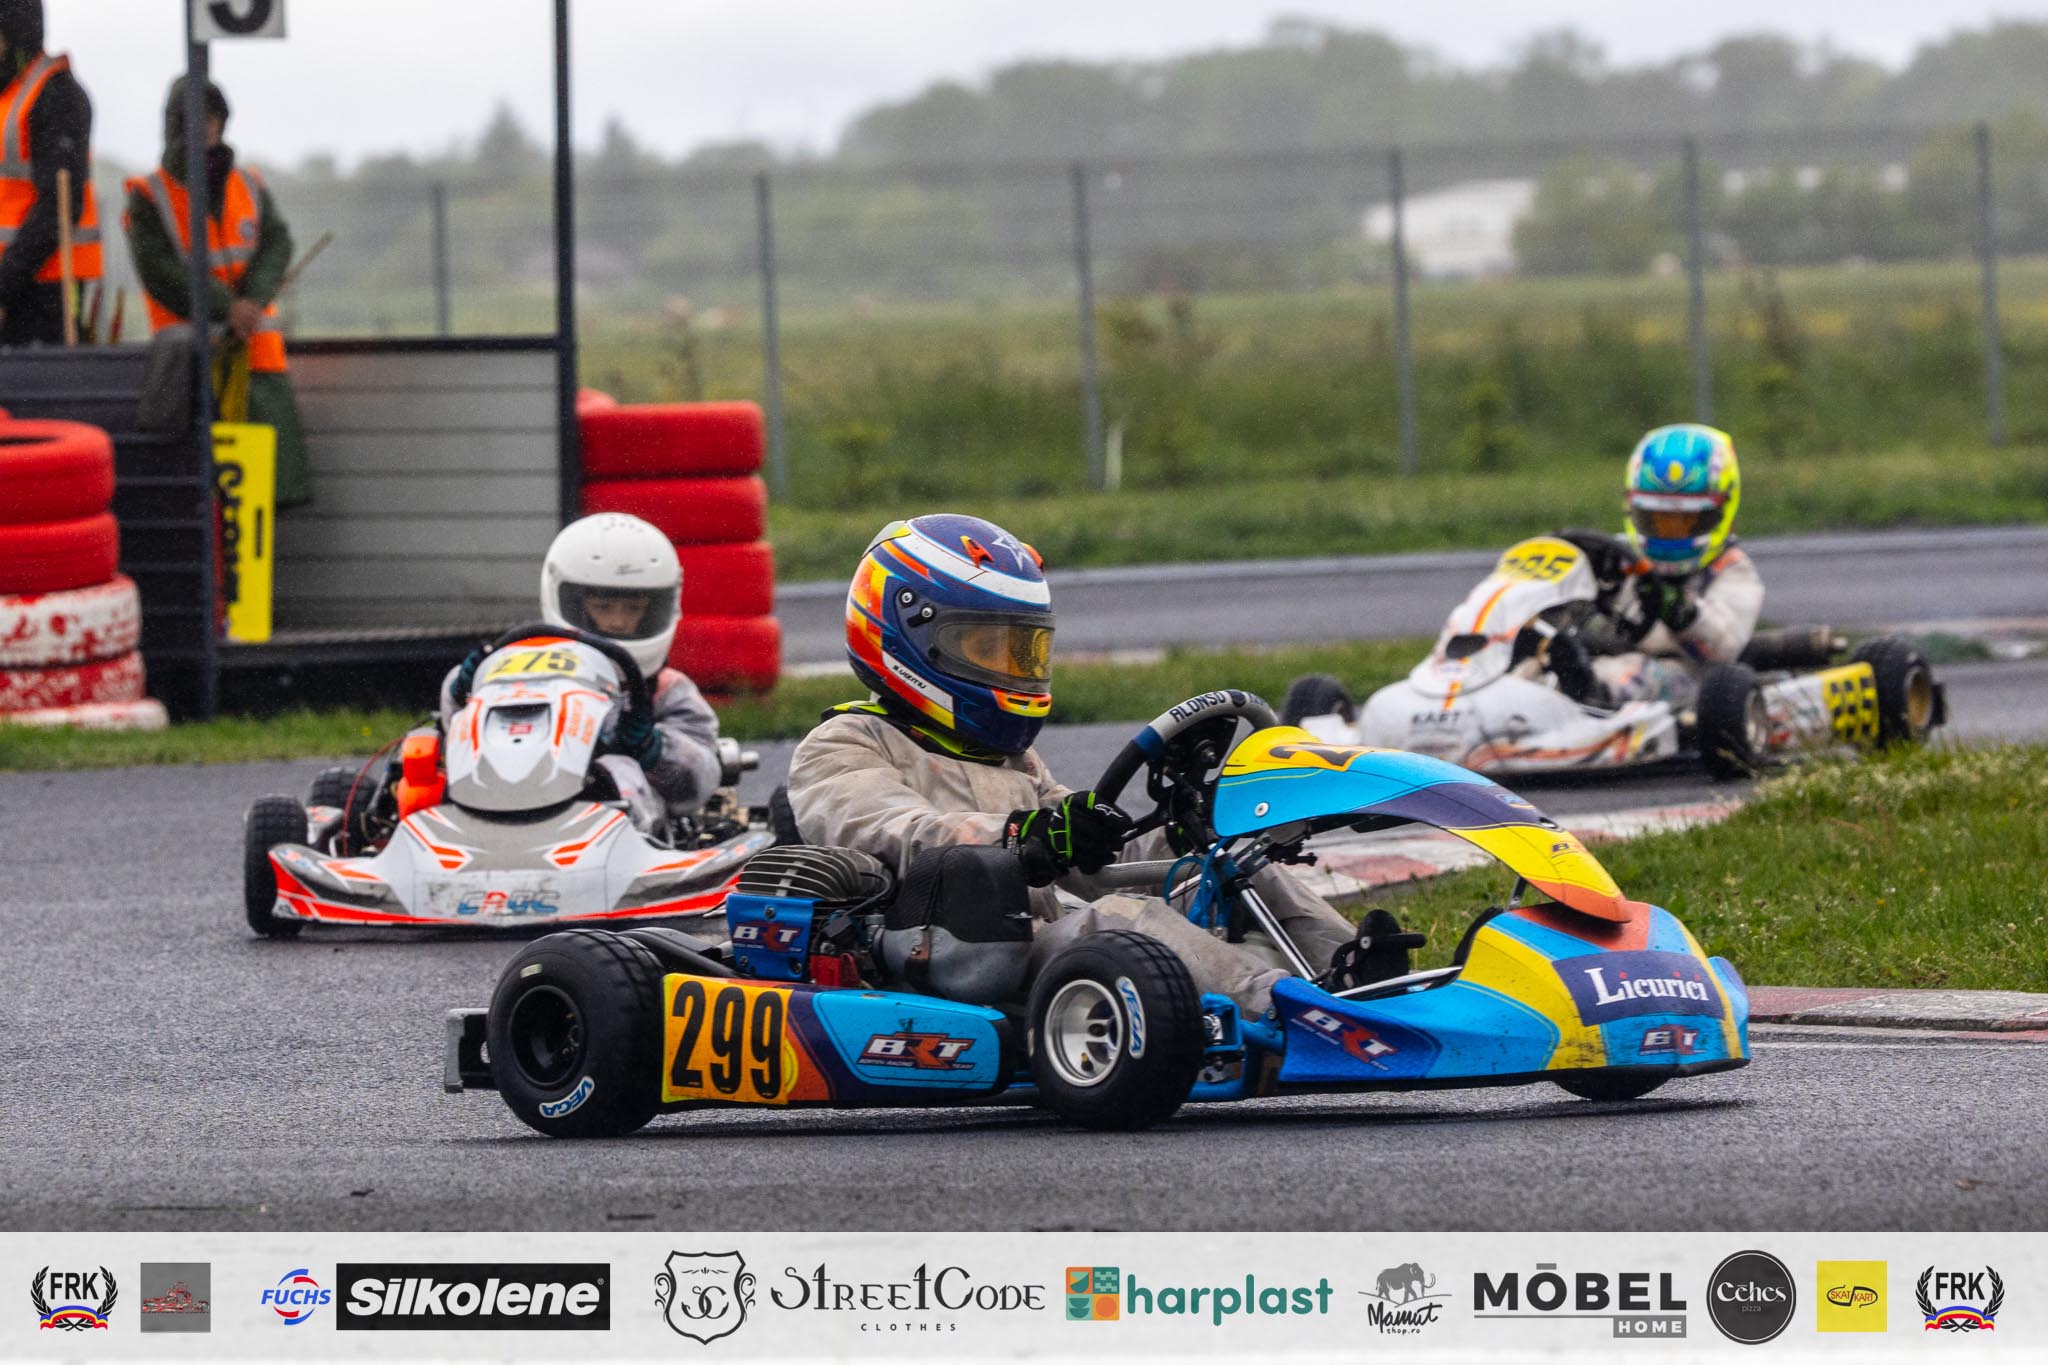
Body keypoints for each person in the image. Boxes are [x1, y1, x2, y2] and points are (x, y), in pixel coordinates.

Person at [784, 512, 1374, 1016]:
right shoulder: (843, 744)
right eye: (987, 648)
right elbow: (900, 832)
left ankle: (1369, 981)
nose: (1012, 669)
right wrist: (1024, 835)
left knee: (1225, 865)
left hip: (1034, 936)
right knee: (1120, 920)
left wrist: (1177, 829)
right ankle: (1296, 1013)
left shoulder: (1009, 758)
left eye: (1023, 651)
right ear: (907, 637)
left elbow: (1090, 859)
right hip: (945, 953)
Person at [441, 513, 726, 832]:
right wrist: (464, 690)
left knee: (618, 768)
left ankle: (612, 835)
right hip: (504, 789)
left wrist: (652, 748)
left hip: (612, 816)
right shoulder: (524, 666)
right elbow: (455, 732)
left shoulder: (667, 689)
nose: (618, 622)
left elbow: (700, 780)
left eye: (633, 609)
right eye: (603, 607)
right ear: (572, 601)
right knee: (422, 759)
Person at [122, 77, 310, 507]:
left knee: (264, 497)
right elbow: (160, 271)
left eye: (212, 116)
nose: (206, 126)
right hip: (193, 370)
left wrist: (253, 301)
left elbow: (277, 243)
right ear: (174, 125)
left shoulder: (250, 184)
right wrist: (229, 307)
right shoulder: (149, 196)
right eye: (194, 117)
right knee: (200, 500)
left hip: (257, 364)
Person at [1556, 423, 1763, 709]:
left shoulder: (1733, 569)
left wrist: (1683, 612)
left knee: (1637, 675)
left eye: (1684, 522)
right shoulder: (1618, 556)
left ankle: (1590, 693)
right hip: (1599, 654)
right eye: (1656, 520)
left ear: (1720, 513)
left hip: (1689, 676)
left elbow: (1724, 647)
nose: (1668, 533)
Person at [0, 0, 101, 345]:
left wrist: (5, 285)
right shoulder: (10, 97)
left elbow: (59, 205)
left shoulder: (56, 95)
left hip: (46, 288)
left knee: (40, 378)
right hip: (15, 284)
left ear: (14, 36)